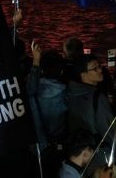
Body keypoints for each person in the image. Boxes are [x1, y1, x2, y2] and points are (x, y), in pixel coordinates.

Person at [67, 54, 116, 175]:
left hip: (78, 155)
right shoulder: (97, 97)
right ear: (83, 74)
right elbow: (110, 130)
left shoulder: (70, 93)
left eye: (99, 66)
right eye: (95, 68)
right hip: (99, 154)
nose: (100, 70)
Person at [27, 43, 67, 176]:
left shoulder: (31, 92)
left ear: (42, 71)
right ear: (61, 71)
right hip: (58, 146)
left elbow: (30, 84)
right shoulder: (67, 94)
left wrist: (36, 61)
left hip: (36, 148)